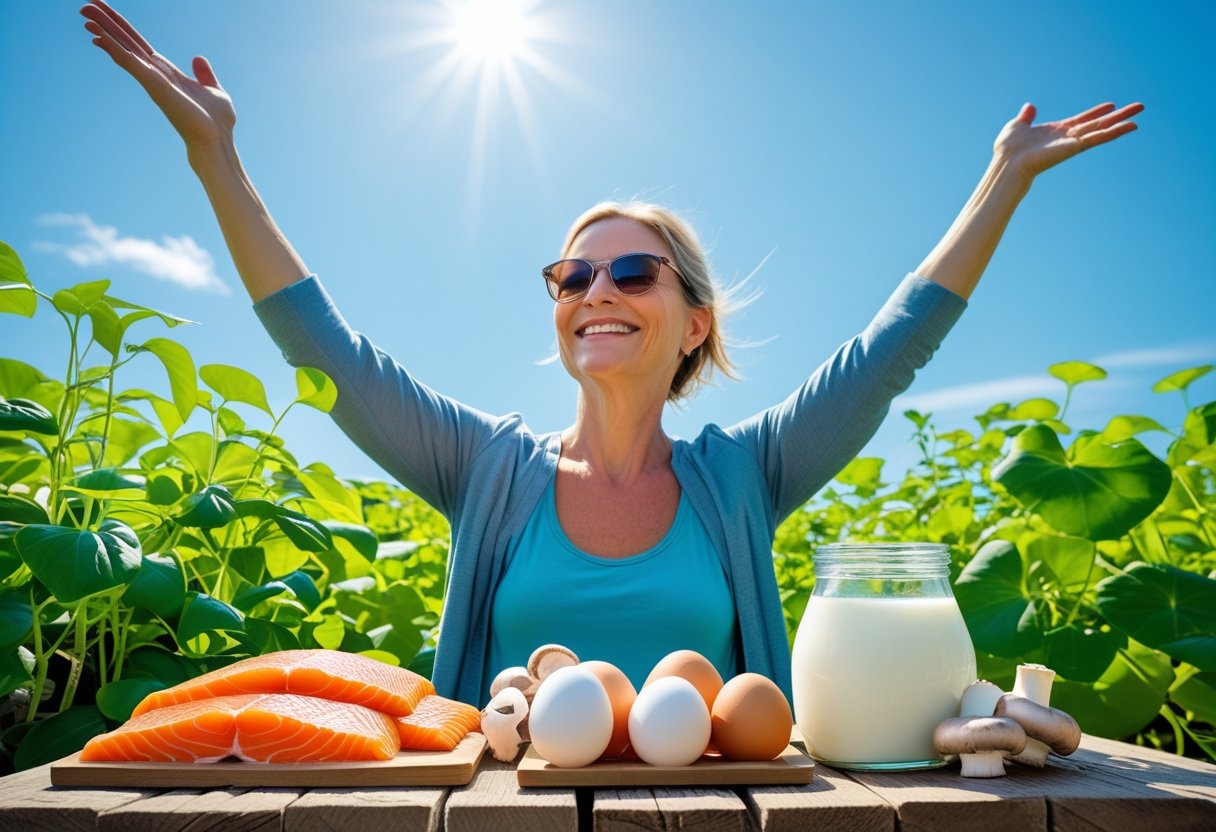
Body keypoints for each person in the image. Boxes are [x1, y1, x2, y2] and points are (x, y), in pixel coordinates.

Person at [81, 1, 1144, 706]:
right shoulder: (485, 470)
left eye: (633, 273)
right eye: (572, 275)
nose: (596, 290)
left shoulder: (743, 477)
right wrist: (214, 154)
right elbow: (325, 349)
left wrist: (1003, 178)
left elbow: (888, 353)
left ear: (693, 324)